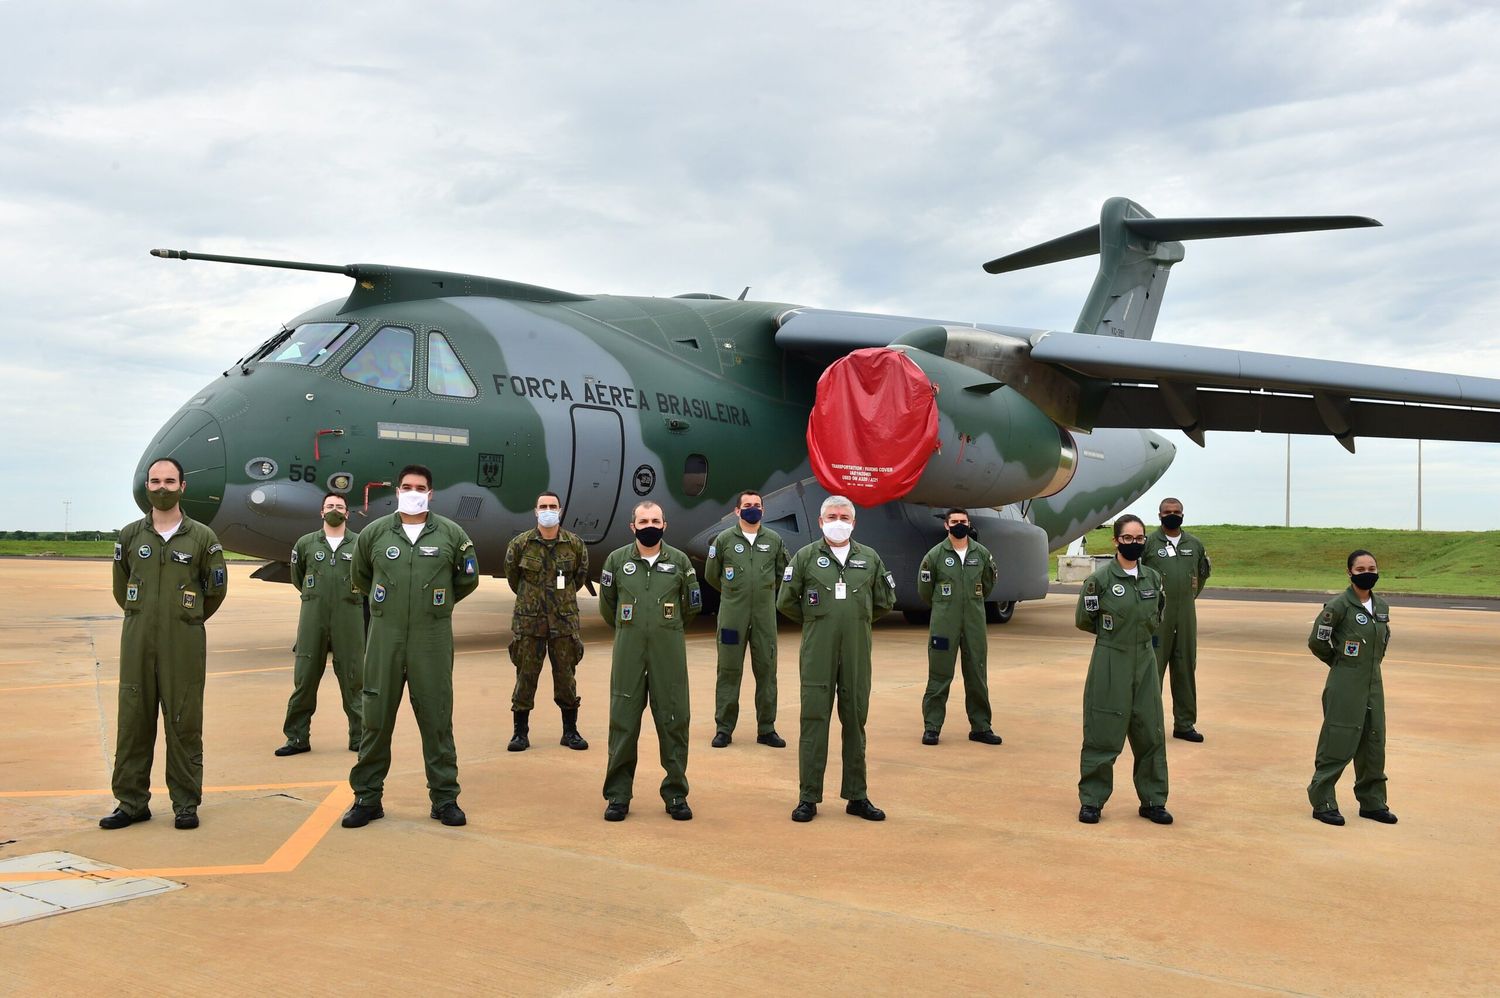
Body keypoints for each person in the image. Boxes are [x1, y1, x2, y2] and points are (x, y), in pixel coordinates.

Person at [342, 465, 479, 829]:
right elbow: (361, 576)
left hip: (431, 639)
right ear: (397, 490)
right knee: (376, 719)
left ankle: (444, 798)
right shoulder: (374, 533)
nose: (413, 491)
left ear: (431, 493)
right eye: (406, 486)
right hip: (385, 637)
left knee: (437, 720)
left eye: (420, 487)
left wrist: (435, 607)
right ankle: (367, 799)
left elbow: (467, 579)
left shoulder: (452, 534)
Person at [101, 457, 228, 831]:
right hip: (137, 641)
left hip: (184, 643)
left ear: (182, 487)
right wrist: (146, 617)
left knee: (184, 721)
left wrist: (185, 620)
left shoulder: (203, 537)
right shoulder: (129, 536)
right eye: (155, 481)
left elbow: (215, 590)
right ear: (148, 487)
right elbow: (121, 588)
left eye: (169, 481)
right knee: (133, 722)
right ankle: (131, 802)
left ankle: (185, 803)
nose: (161, 488)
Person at [776, 495, 896, 823]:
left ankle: (857, 796)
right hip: (817, 652)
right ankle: (808, 797)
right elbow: (786, 601)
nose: (838, 520)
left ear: (854, 523)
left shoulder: (869, 559)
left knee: (855, 721)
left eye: (844, 516)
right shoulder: (804, 558)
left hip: (857, 652)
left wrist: (856, 620)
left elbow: (885, 601)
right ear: (820, 521)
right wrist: (819, 620)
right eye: (832, 515)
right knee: (814, 720)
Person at [597, 501, 702, 822]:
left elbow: (691, 606)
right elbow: (608, 606)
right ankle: (618, 796)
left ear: (664, 525)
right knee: (623, 724)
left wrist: (663, 629)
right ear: (633, 527)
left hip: (667, 652)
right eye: (643, 521)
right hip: (628, 652)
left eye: (655, 520)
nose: (649, 525)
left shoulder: (680, 561)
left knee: (674, 722)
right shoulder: (617, 561)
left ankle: (675, 795)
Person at [1074, 513, 1171, 826]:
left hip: (1145, 660)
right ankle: (1092, 800)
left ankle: (1153, 801)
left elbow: (1157, 613)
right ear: (1116, 541)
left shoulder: (1152, 578)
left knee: (1150, 732)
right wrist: (1114, 639)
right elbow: (1084, 619)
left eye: (1139, 538)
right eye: (1127, 538)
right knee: (1103, 731)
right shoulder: (1099, 581)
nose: (1134, 543)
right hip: (1110, 658)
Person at [1305, 550, 1397, 826]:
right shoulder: (1338, 606)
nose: (1367, 572)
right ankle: (1323, 801)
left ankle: (1372, 802)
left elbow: (1381, 642)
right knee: (1338, 739)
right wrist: (1339, 662)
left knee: (1373, 741)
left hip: (1373, 683)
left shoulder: (1381, 606)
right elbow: (1317, 641)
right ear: (1350, 573)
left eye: (1372, 567)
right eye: (1360, 569)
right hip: (1345, 683)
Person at [275, 492, 364, 756]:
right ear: (321, 512)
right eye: (330, 506)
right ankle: (297, 738)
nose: (335, 510)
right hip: (313, 617)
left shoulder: (360, 544)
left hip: (349, 616)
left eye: (340, 506)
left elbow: (367, 577)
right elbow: (298, 577)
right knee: (304, 678)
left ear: (348, 514)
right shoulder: (306, 544)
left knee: (354, 679)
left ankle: (359, 738)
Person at [503, 491, 590, 752]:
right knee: (525, 678)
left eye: (553, 506)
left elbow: (579, 577)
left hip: (563, 624)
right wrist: (533, 601)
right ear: (535, 511)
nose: (548, 510)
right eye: (544, 506)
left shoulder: (574, 545)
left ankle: (570, 731)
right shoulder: (520, 544)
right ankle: (520, 733)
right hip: (529, 624)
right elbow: (513, 578)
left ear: (560, 511)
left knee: (566, 678)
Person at [704, 489, 789, 749]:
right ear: (737, 511)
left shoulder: (774, 540)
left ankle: (766, 729)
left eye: (757, 505)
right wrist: (736, 595)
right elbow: (711, 575)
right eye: (747, 505)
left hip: (764, 618)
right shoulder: (724, 540)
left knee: (767, 672)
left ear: (763, 511)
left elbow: (782, 573)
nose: (752, 509)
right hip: (732, 618)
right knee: (729, 672)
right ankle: (724, 729)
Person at [916, 508, 1001, 746]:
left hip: (974, 623)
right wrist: (946, 607)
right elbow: (925, 591)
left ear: (969, 523)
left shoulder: (981, 554)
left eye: (963, 521)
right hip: (944, 624)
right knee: (939, 676)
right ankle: (932, 727)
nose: (959, 525)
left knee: (977, 675)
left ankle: (981, 727)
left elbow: (988, 584)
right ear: (946, 525)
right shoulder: (934, 556)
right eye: (954, 521)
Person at [1140, 498, 1212, 742]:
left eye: (1176, 512)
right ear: (1159, 515)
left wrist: (1188, 597)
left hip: (1186, 615)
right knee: (1153, 670)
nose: (1172, 515)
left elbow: (1201, 576)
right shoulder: (1148, 543)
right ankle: (1150, 724)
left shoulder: (1195, 544)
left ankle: (1184, 724)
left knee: (1185, 669)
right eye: (1167, 512)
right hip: (1158, 616)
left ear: (1183, 514)